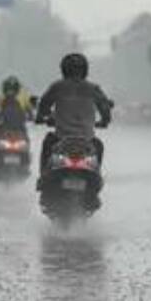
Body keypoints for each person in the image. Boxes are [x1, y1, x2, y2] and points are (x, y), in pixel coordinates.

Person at [34, 53, 112, 207]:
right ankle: (95, 185)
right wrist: (104, 121)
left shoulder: (57, 87)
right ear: (84, 70)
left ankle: (43, 179)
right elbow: (105, 108)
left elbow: (43, 105)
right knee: (99, 146)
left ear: (64, 69)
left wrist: (42, 117)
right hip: (87, 141)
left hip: (60, 139)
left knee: (47, 142)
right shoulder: (93, 88)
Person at [0, 75, 34, 140]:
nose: (10, 92)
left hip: (19, 127)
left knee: (25, 137)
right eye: (8, 89)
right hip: (4, 127)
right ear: (4, 89)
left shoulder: (24, 98)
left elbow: (30, 112)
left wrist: (30, 117)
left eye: (12, 89)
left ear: (17, 89)